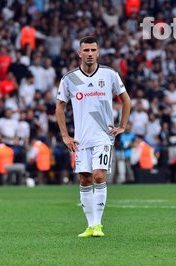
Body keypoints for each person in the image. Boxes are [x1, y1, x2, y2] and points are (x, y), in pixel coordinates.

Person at [55, 36, 131, 238]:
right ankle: (90, 226)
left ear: (98, 52)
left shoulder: (109, 75)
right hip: (81, 139)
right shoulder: (69, 79)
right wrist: (65, 135)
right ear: (79, 53)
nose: (89, 54)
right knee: (85, 179)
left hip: (103, 136)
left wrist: (122, 126)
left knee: (99, 175)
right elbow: (60, 107)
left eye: (93, 50)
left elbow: (126, 100)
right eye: (86, 50)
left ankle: (98, 225)